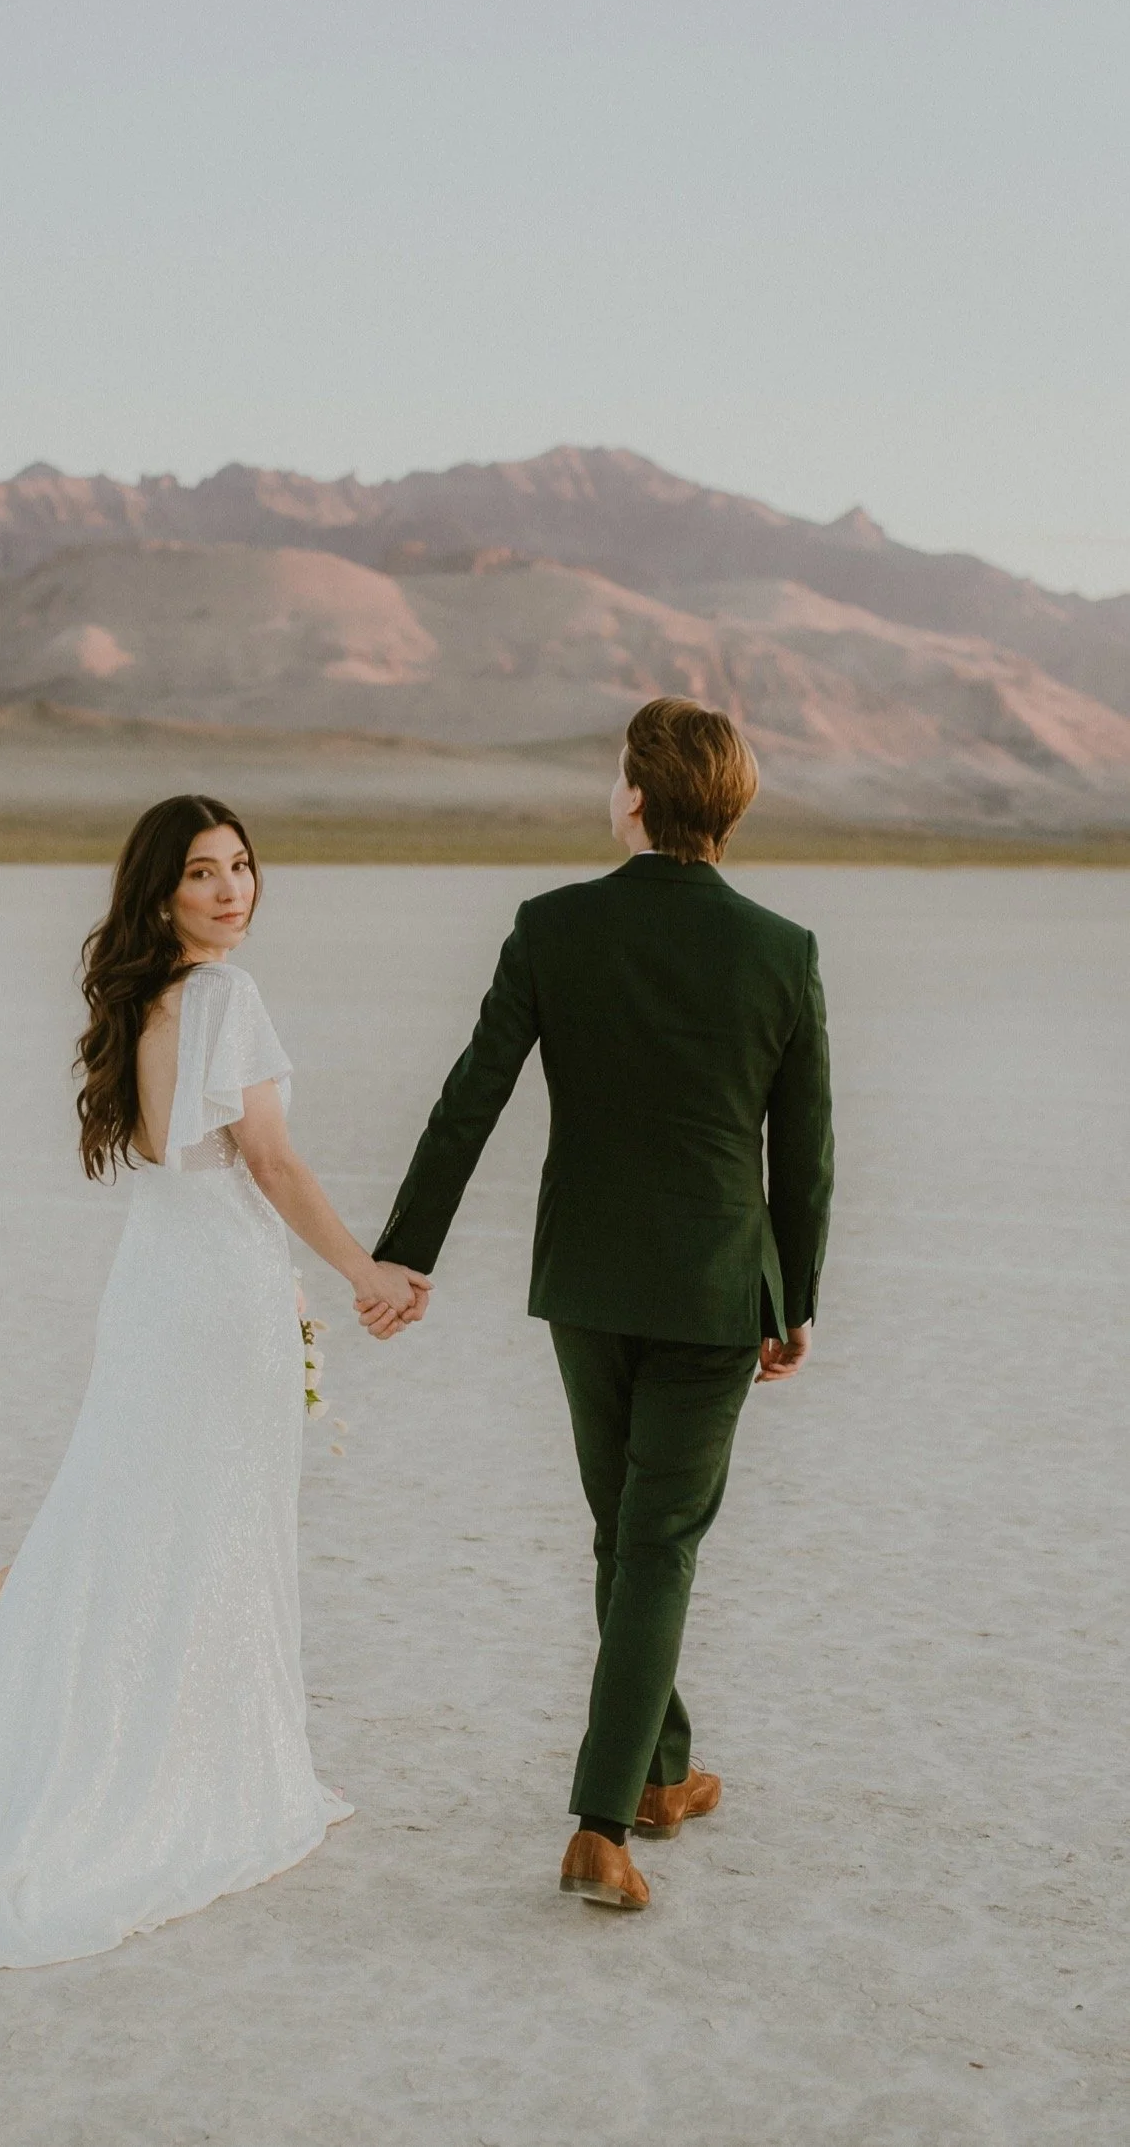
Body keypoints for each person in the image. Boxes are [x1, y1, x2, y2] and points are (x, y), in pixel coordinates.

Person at [0, 796, 429, 1970]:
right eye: (203, 874)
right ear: (159, 894)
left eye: (244, 867)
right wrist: (363, 1270)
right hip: (213, 1292)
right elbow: (270, 1159)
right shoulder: (224, 998)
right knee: (210, 1524)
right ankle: (201, 1780)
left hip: (158, 1282)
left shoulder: (143, 1003)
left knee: (141, 1516)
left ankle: (153, 1762)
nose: (232, 890)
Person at [368, 698, 834, 1911]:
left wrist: (407, 1251)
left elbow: (470, 1098)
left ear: (635, 795)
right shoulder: (784, 951)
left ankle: (658, 1778)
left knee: (627, 1539)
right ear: (728, 807)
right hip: (721, 1292)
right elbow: (808, 1156)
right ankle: (600, 1819)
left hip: (588, 1283)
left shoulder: (552, 928)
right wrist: (799, 1302)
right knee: (656, 1543)